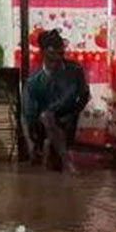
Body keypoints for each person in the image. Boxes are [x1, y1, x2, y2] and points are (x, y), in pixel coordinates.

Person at [23, 30, 89, 172]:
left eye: (61, 53)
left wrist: (72, 114)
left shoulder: (75, 71)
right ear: (43, 53)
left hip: (67, 119)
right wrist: (34, 140)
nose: (58, 57)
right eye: (53, 53)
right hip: (43, 125)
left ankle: (55, 150)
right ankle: (63, 159)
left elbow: (83, 96)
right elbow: (30, 116)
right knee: (46, 117)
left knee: (54, 160)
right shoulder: (33, 81)